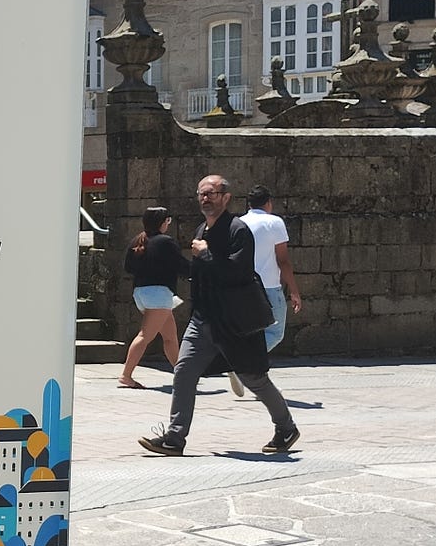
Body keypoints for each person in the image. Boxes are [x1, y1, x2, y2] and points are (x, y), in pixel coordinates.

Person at [138, 174, 301, 457]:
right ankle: (175, 438)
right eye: (201, 193)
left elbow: (235, 272)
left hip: (235, 321)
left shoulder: (238, 231)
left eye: (211, 193)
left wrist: (205, 255)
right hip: (204, 318)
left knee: (254, 378)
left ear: (226, 198)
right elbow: (200, 274)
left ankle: (286, 427)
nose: (205, 198)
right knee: (184, 371)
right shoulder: (203, 229)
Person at [119, 206, 187, 388]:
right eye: (168, 221)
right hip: (159, 294)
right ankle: (126, 375)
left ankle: (182, 375)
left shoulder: (137, 240)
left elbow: (128, 267)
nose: (168, 224)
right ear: (162, 222)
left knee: (170, 337)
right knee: (145, 335)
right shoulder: (166, 241)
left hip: (141, 293)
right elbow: (180, 265)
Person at [242, 184, 302, 354]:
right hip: (269, 286)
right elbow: (283, 261)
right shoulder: (274, 222)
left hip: (243, 285)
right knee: (275, 332)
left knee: (248, 329)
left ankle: (242, 360)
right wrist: (294, 291)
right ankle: (246, 359)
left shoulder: (239, 223)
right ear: (268, 203)